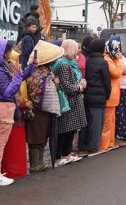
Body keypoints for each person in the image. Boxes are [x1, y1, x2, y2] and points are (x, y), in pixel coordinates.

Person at [0, 39, 34, 186]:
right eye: (6, 50)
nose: (9, 53)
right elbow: (7, 91)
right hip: (1, 106)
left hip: (1, 107)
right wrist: (19, 76)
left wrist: (30, 68)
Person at [25, 40, 62, 173]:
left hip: (40, 109)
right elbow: (43, 93)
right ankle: (35, 164)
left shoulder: (38, 71)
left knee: (41, 136)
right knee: (37, 137)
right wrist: (55, 84)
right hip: (38, 109)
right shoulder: (40, 74)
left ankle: (39, 162)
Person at [51, 39, 87, 167]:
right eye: (76, 48)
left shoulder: (70, 63)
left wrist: (81, 83)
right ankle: (58, 156)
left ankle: (66, 154)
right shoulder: (63, 64)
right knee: (64, 130)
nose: (78, 51)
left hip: (72, 101)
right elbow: (67, 85)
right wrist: (80, 87)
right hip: (67, 101)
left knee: (70, 130)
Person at [78, 38, 111, 156]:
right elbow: (107, 81)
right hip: (99, 97)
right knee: (97, 123)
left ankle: (82, 145)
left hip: (87, 95)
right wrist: (107, 94)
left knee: (85, 122)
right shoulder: (103, 62)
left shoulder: (87, 60)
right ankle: (92, 147)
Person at [1, 50, 28, 180]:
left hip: (17, 112)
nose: (16, 64)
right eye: (14, 61)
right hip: (13, 111)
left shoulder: (14, 73)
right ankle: (13, 170)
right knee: (13, 144)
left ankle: (17, 169)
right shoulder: (10, 75)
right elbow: (14, 94)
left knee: (16, 143)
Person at [100, 37, 124, 151]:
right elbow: (117, 73)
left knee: (112, 121)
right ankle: (104, 145)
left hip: (113, 97)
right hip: (109, 96)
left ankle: (110, 143)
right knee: (107, 123)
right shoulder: (107, 59)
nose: (119, 51)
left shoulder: (110, 58)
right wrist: (119, 60)